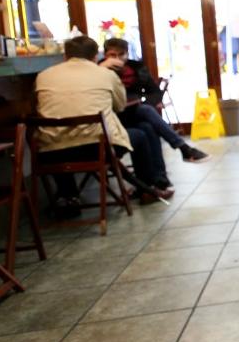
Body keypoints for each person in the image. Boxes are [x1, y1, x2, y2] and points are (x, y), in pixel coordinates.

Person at [35, 36, 173, 216]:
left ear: (65, 56)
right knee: (141, 133)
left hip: (50, 154)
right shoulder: (106, 74)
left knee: (61, 138)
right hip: (97, 149)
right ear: (95, 57)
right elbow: (119, 106)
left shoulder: (43, 76)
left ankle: (68, 196)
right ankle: (148, 188)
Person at [100, 38, 209, 163]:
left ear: (127, 54)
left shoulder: (137, 68)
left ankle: (159, 179)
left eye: (121, 54)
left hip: (134, 110)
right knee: (146, 117)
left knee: (147, 125)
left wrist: (143, 104)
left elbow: (155, 91)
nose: (117, 59)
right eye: (112, 55)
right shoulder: (98, 69)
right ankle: (183, 148)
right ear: (105, 55)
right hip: (111, 114)